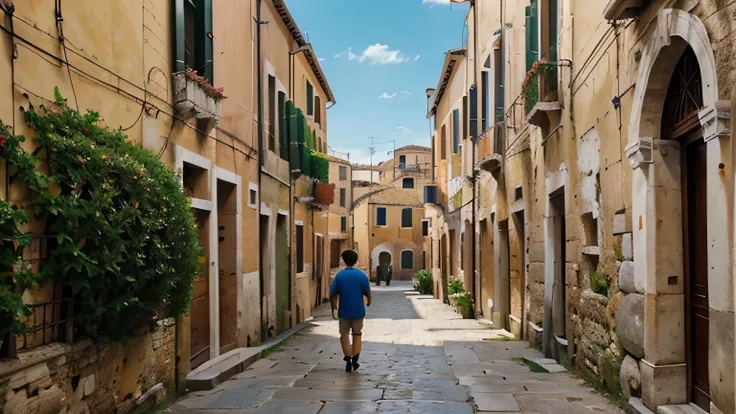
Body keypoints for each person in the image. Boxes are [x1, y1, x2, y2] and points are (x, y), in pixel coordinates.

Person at [330, 249, 371, 372]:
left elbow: (333, 293)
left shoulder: (340, 275)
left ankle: (347, 359)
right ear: (356, 260)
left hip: (344, 311)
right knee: (357, 334)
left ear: (343, 260)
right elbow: (367, 292)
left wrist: (334, 307)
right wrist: (369, 301)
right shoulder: (361, 275)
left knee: (344, 334)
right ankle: (355, 360)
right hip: (358, 310)